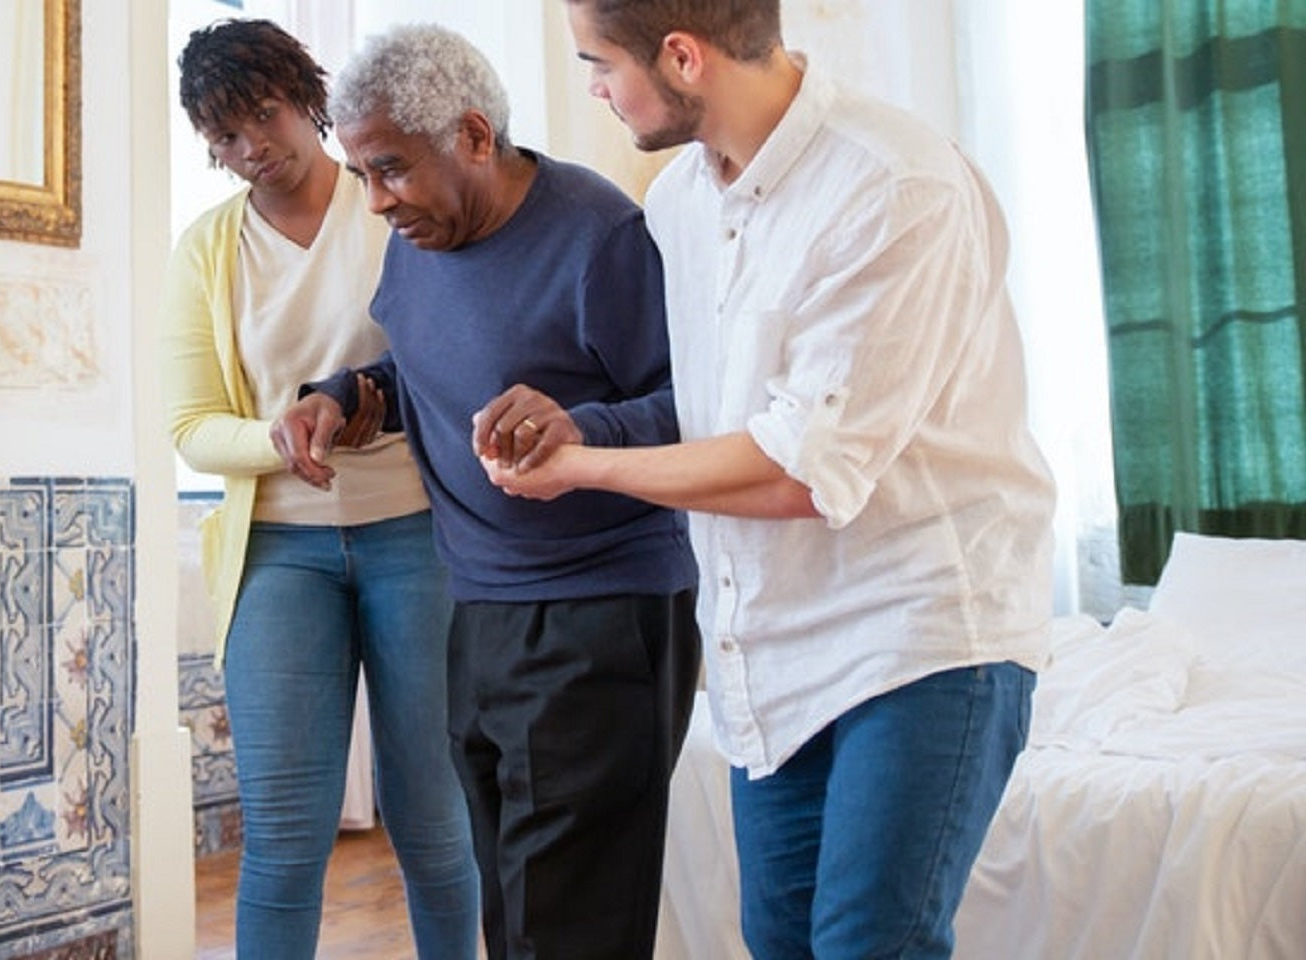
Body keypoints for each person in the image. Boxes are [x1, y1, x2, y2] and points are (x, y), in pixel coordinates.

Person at [487, 3, 1058, 957]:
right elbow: (718, 409)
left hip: (917, 634)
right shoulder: (678, 203)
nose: (592, 88)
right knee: (780, 943)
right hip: (770, 652)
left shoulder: (894, 185)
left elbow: (799, 466)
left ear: (682, 56)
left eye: (598, 64)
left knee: (868, 945)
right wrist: (577, 425)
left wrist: (585, 470)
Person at [270, 24, 701, 959]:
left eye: (391, 169)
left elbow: (694, 406)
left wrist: (580, 427)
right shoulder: (418, 237)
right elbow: (422, 359)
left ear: (472, 135)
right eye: (363, 174)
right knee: (511, 914)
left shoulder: (598, 237)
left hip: (599, 612)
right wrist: (344, 398)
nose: (377, 200)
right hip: (477, 608)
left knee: (568, 920)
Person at [161, 19, 480, 959]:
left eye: (264, 115)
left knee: (434, 824)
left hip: (416, 535)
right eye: (223, 135)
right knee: (286, 842)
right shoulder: (207, 250)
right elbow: (189, 427)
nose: (252, 147)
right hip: (279, 555)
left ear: (309, 99)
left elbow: (456, 363)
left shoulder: (390, 206)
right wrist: (277, 435)